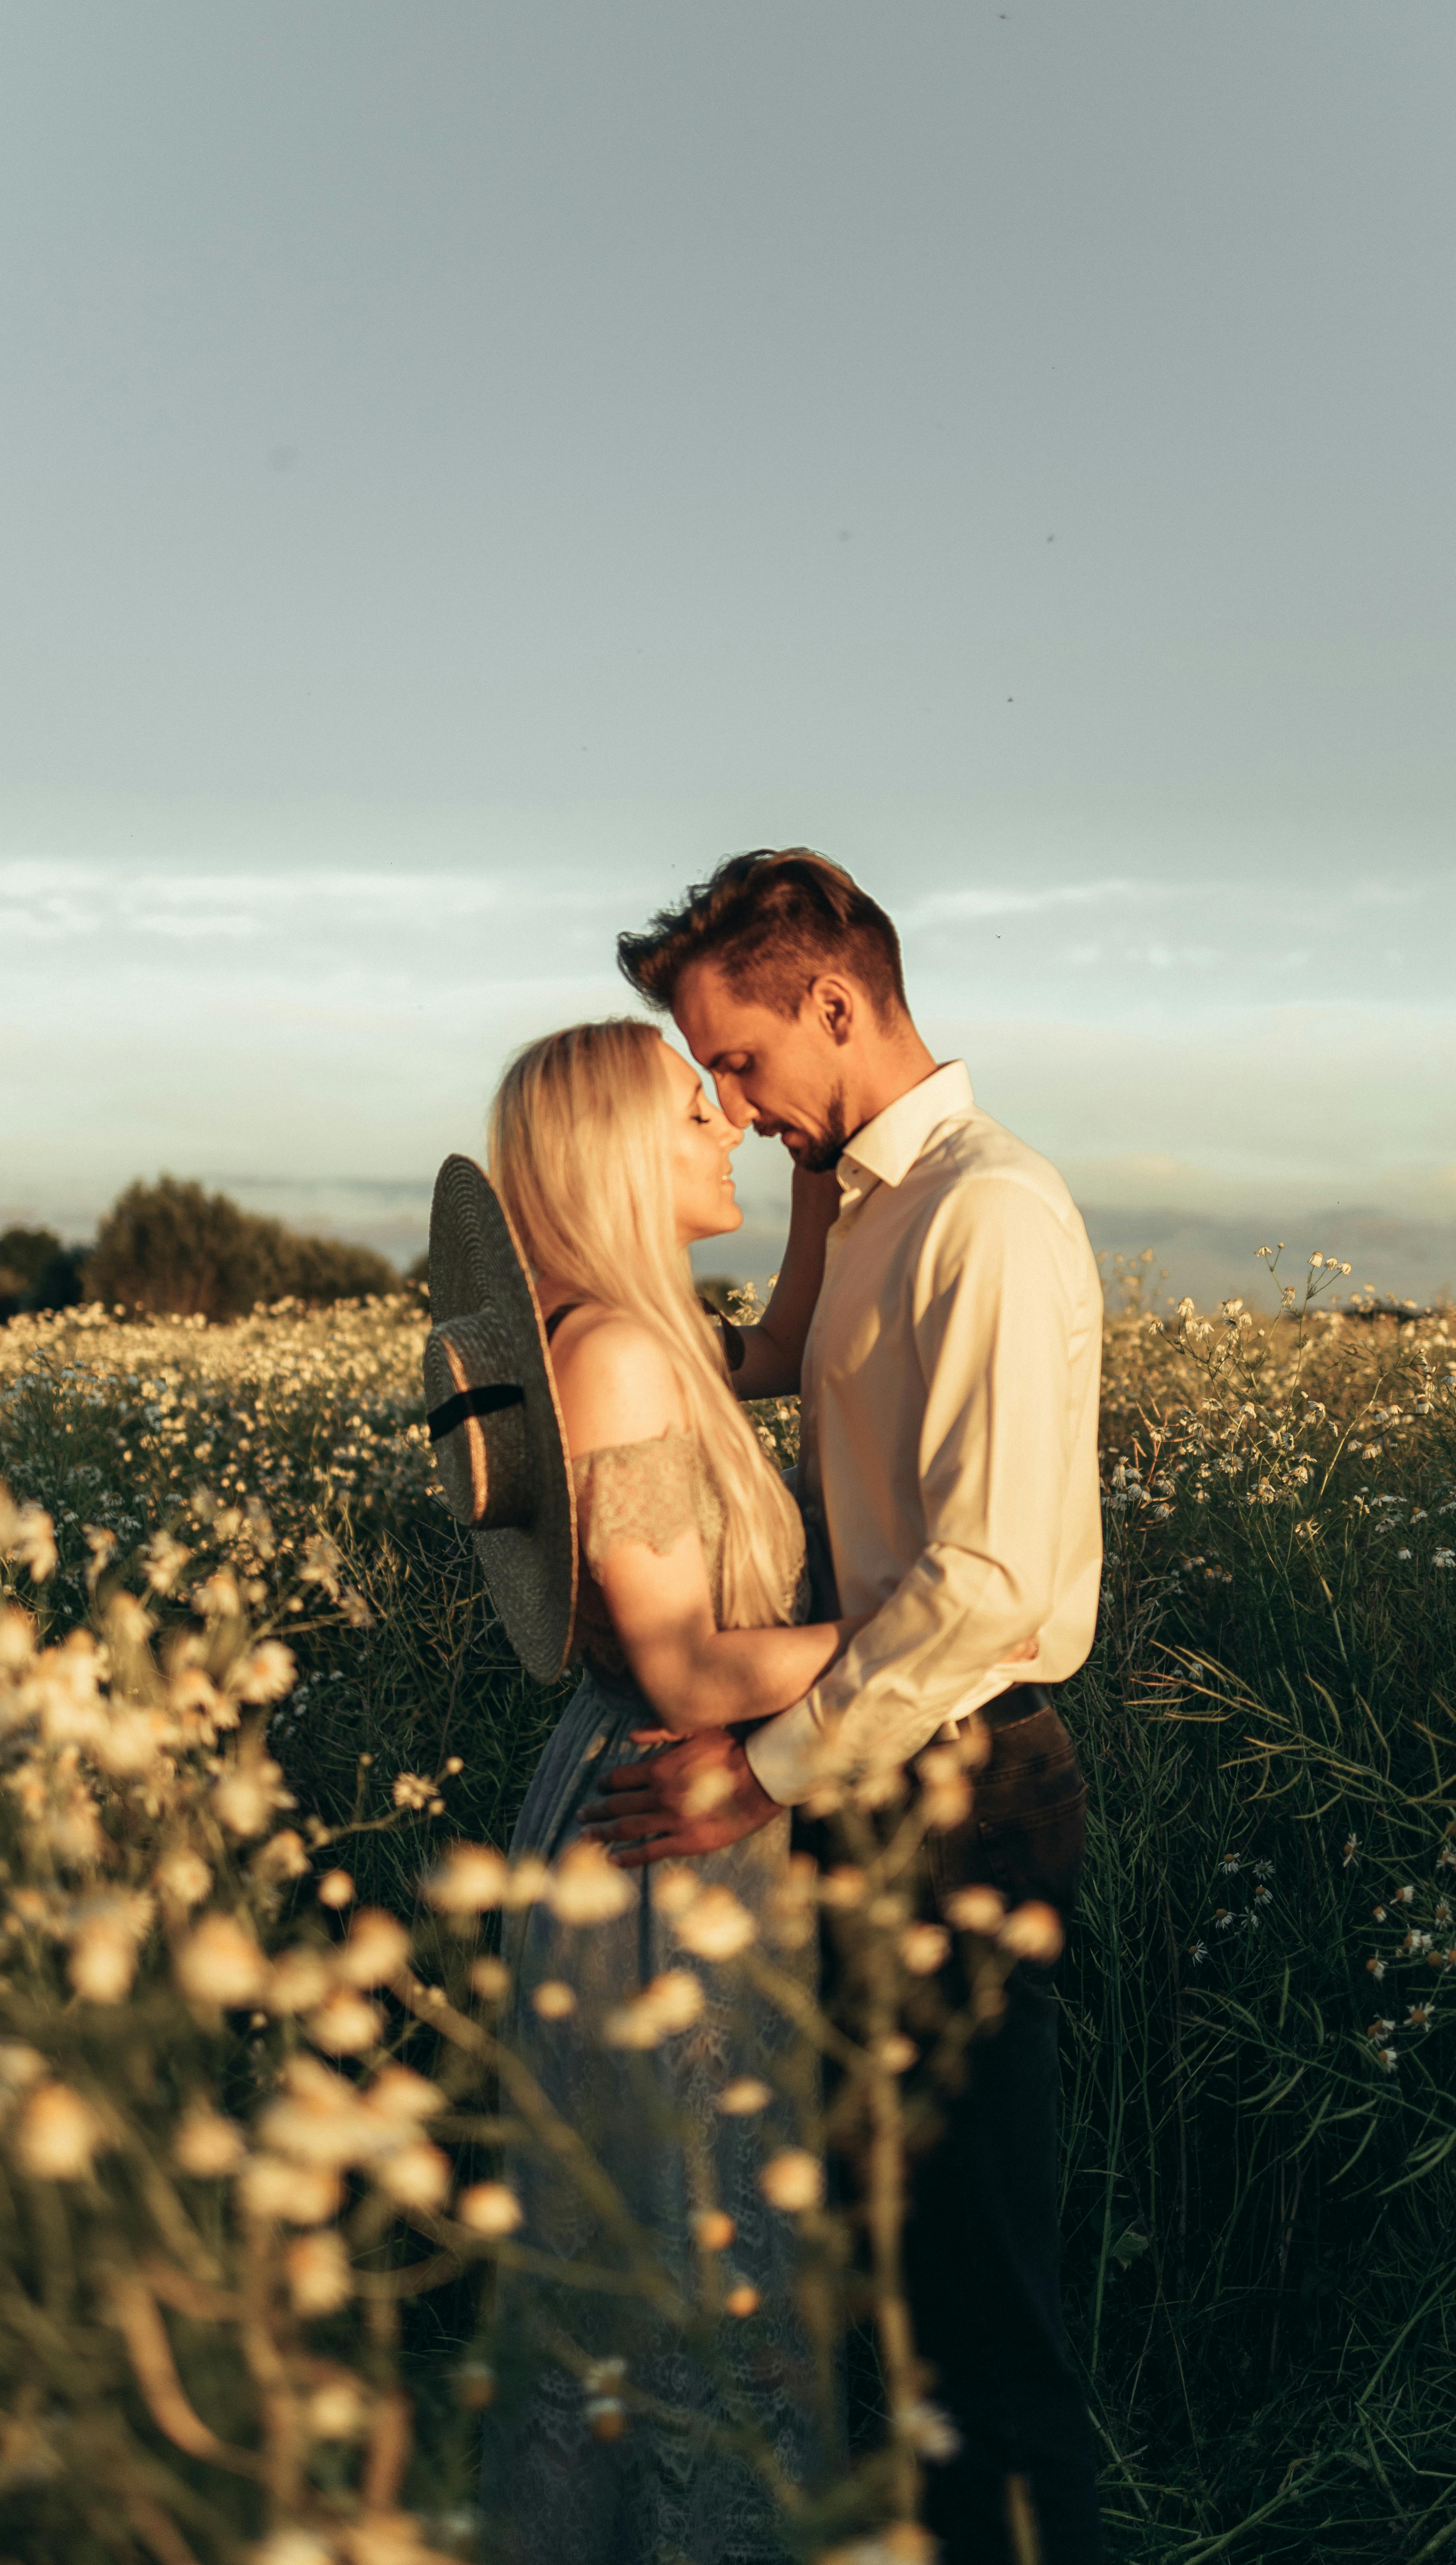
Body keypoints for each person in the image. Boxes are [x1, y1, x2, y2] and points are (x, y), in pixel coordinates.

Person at [585, 850, 1108, 2565]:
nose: (728, 1103)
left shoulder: (989, 1212)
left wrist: (766, 1773)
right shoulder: (871, 1204)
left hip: (957, 1781)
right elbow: (718, 1374)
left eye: (738, 1061)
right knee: (896, 2292)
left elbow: (990, 1587)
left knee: (981, 2307)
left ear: (836, 1002)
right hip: (880, 1770)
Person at [456, 1016, 854, 2565]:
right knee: (704, 2292)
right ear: (625, 1152)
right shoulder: (617, 1356)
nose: (731, 1128)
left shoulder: (639, 1335)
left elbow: (787, 1347)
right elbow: (688, 1669)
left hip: (653, 1819)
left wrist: (825, 1175)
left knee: (645, 2287)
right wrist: (940, 1629)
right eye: (701, 1111)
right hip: (662, 1833)